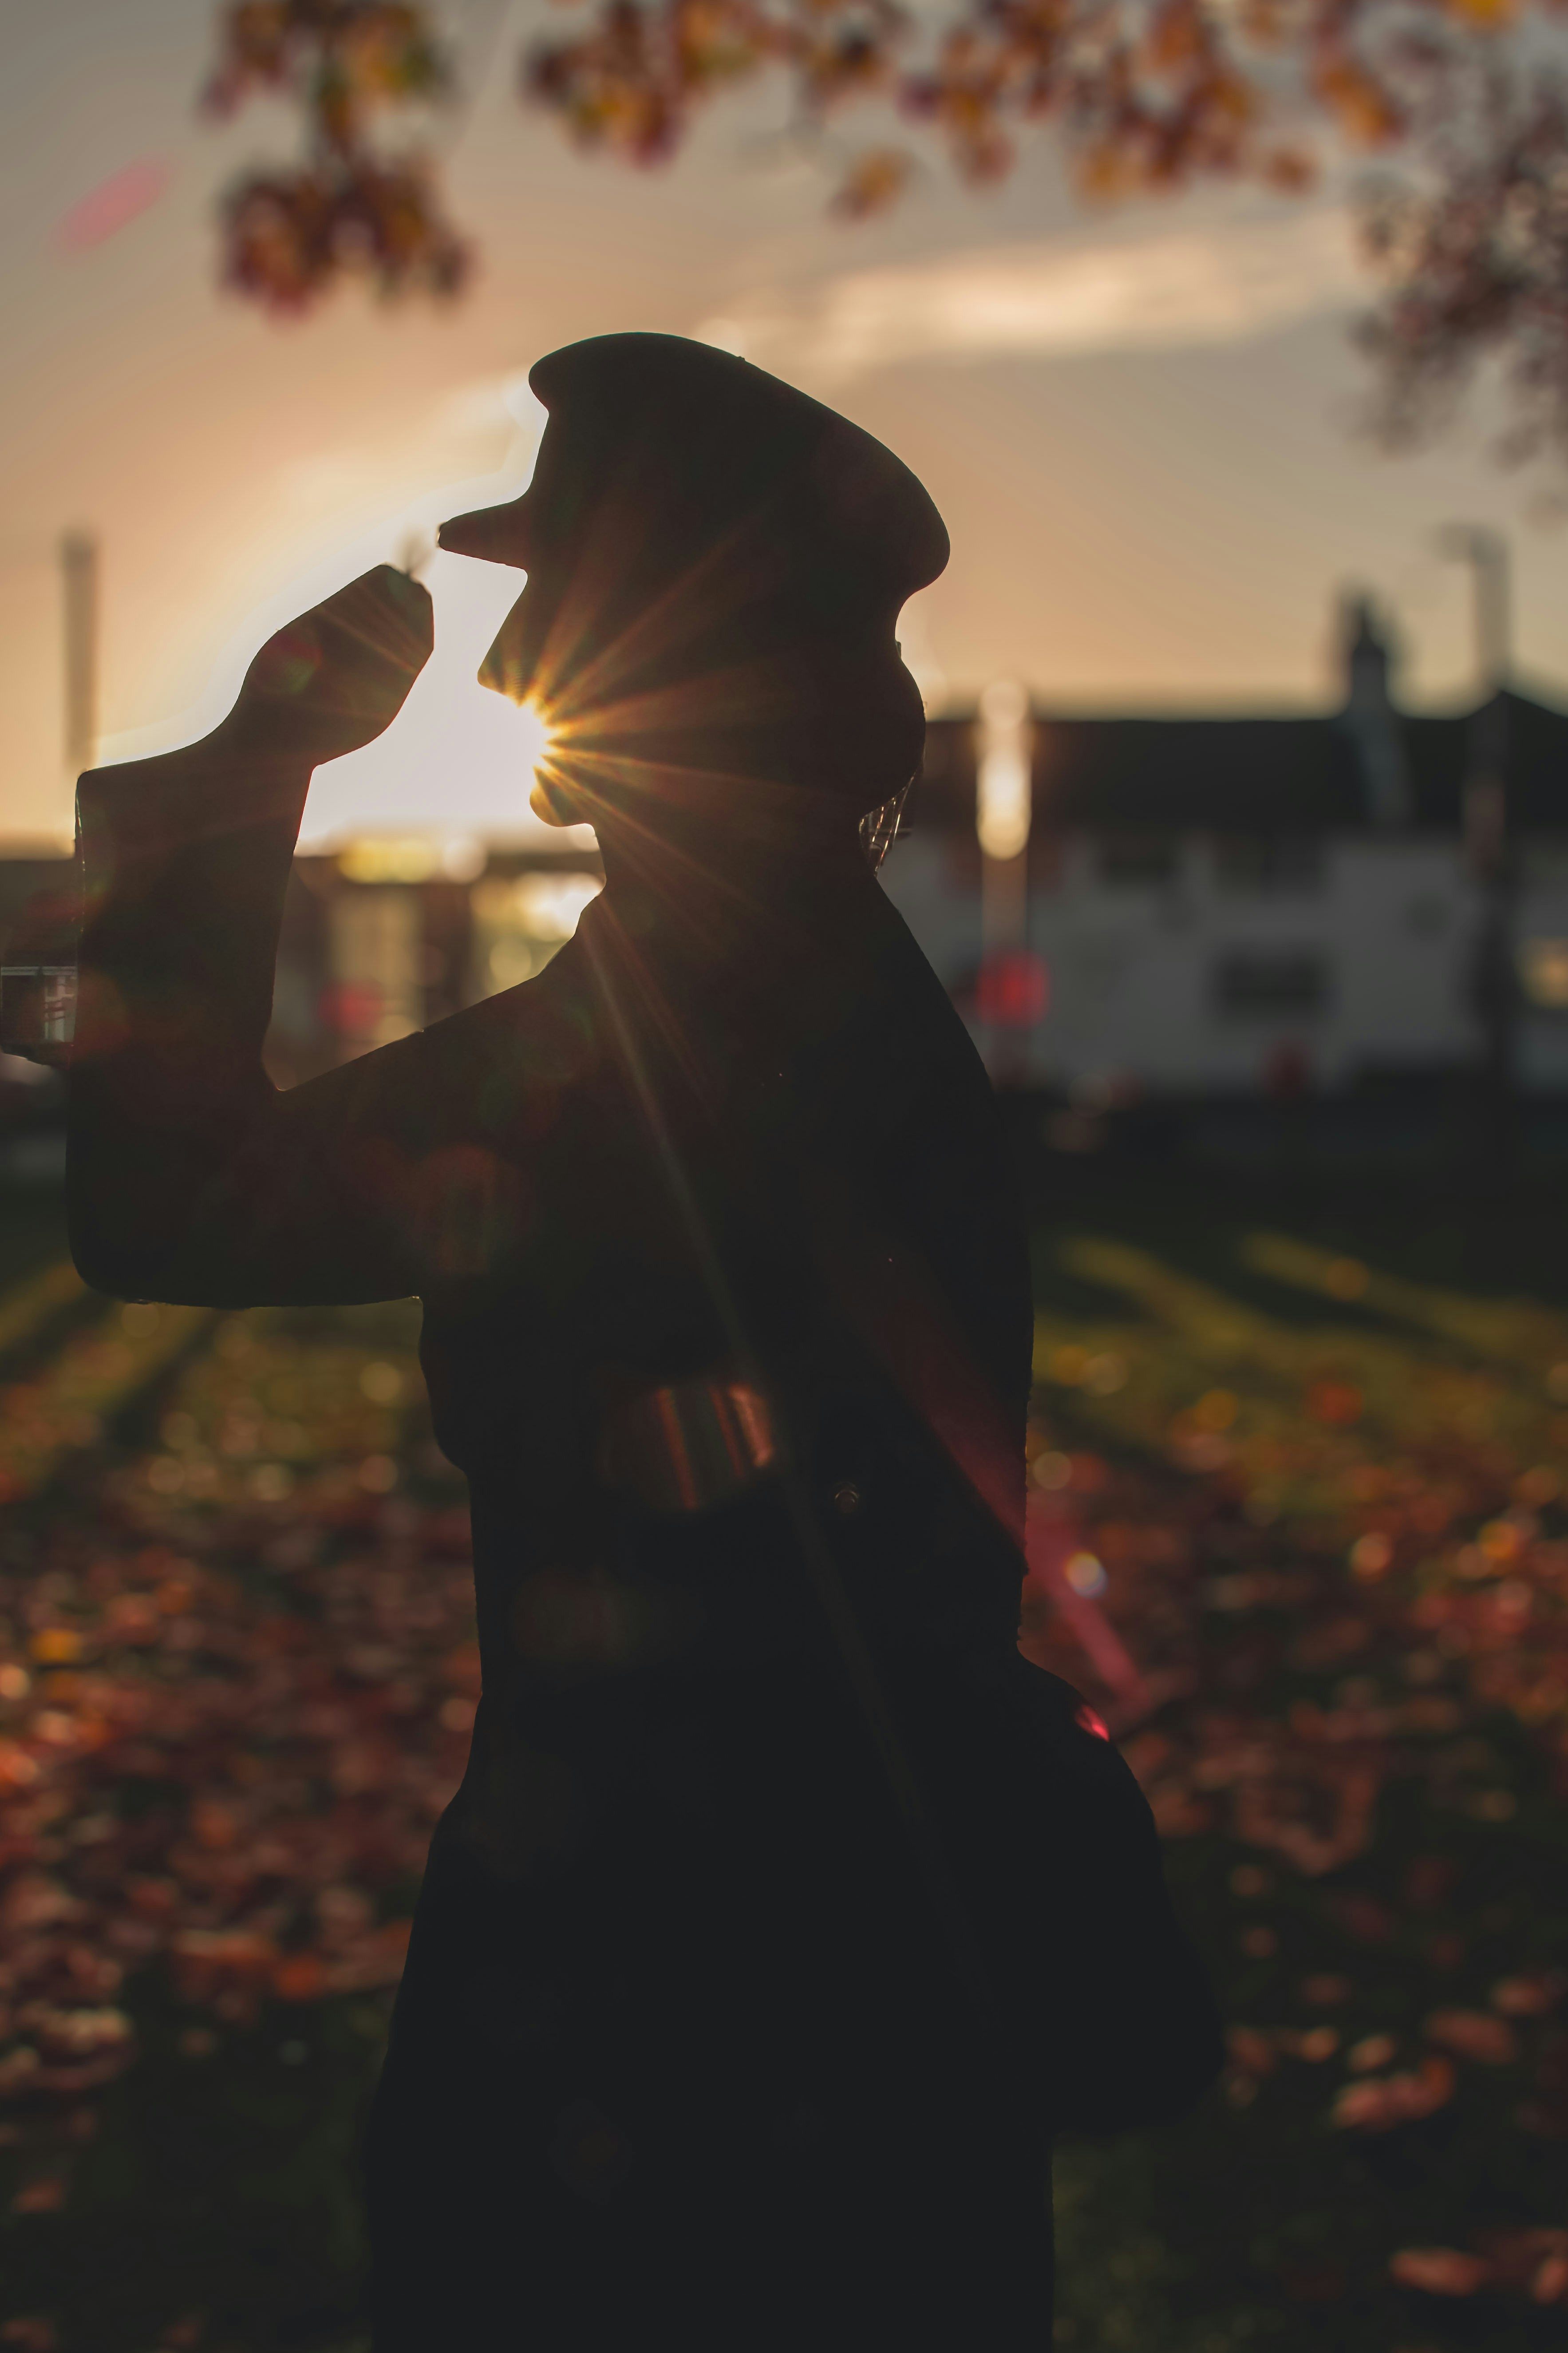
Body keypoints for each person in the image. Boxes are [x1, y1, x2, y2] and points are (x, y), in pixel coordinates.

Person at [67, 334, 1221, 2350]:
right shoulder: (741, 995)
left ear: (709, 662)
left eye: (555, 605)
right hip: (808, 2015)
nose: (508, 673)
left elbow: (182, 1211)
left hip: (671, 2038)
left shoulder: (665, 1040)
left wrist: (256, 772)